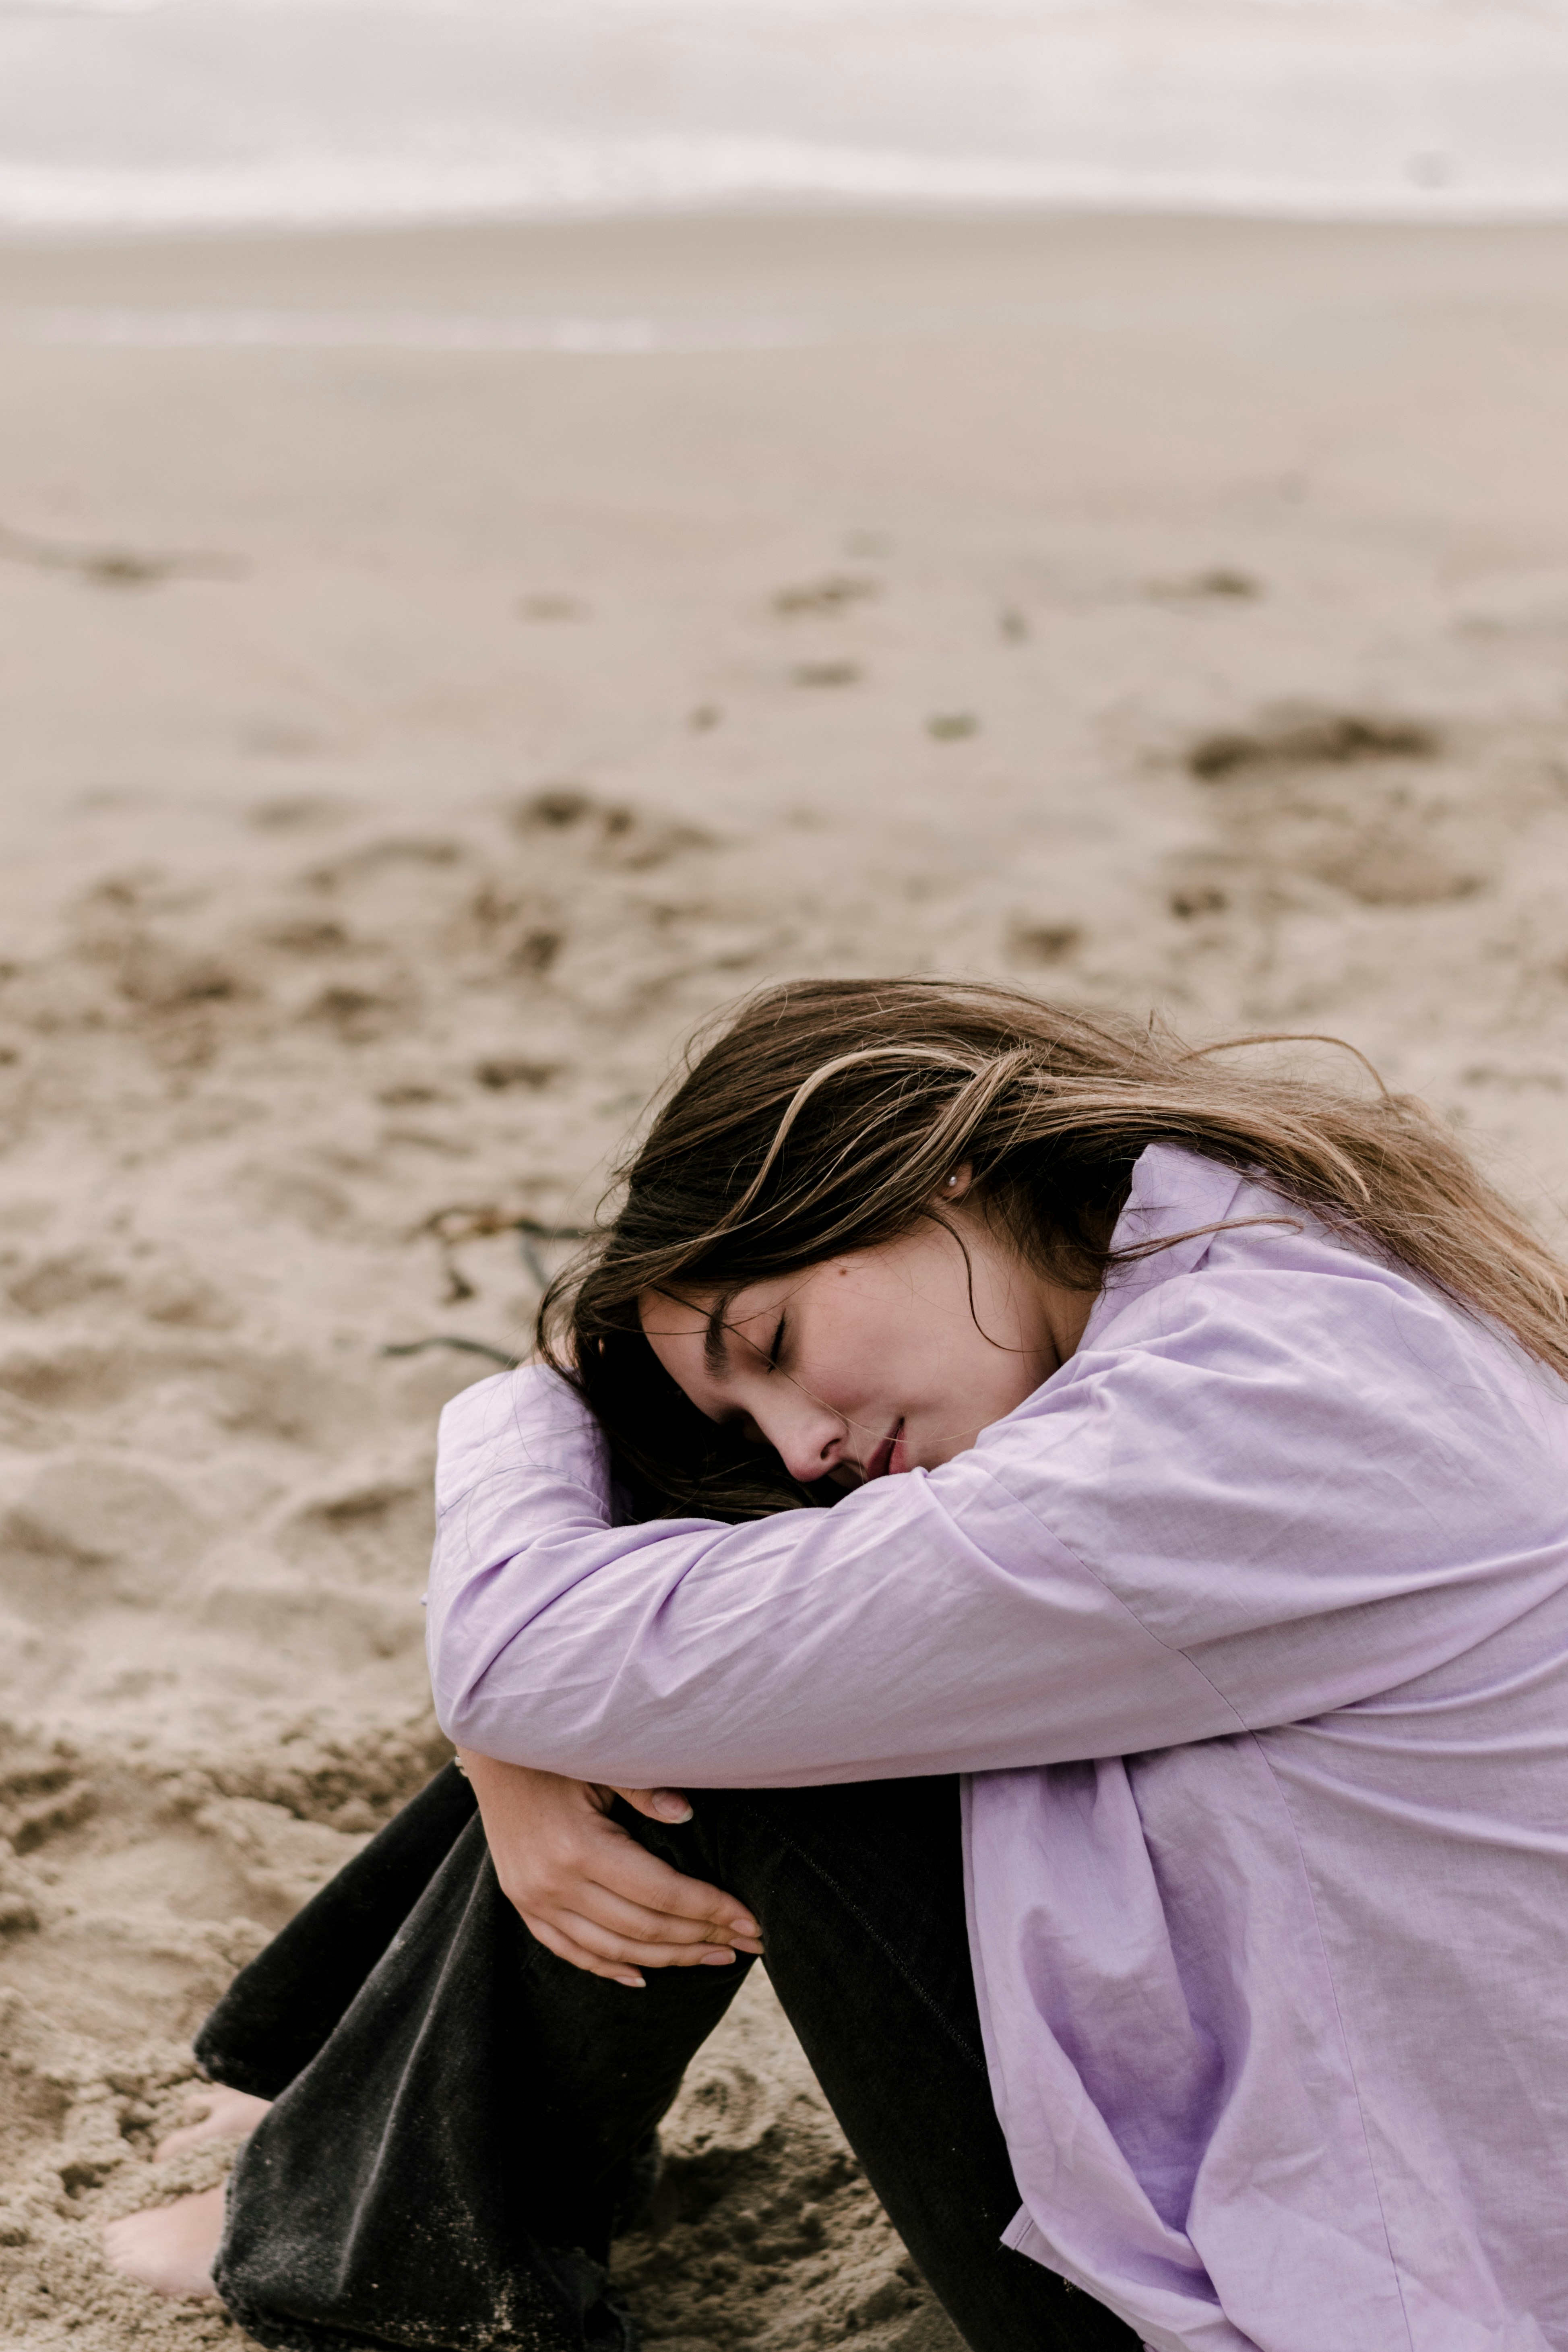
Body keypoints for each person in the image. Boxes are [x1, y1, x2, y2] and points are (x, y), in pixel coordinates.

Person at [106, 977, 1568, 2352]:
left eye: (778, 1340)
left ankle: (387, 2242)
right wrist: (518, 1746)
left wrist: (536, 1411)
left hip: (1358, 2294)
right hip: (1369, 2146)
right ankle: (325, 2094)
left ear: (923, 1165)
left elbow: (533, 1650)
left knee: (733, 1720)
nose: (804, 1436)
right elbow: (566, 1645)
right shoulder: (1253, 1256)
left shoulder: (1229, 1430)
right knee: (737, 1608)